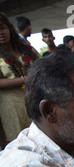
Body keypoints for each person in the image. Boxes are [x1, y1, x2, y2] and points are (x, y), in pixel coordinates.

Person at [0, 13, 39, 148]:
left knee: (42, 139)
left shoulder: (26, 48)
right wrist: (24, 79)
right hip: (12, 105)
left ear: (9, 28)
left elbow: (42, 66)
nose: (1, 33)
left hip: (36, 99)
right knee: (21, 146)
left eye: (2, 28)